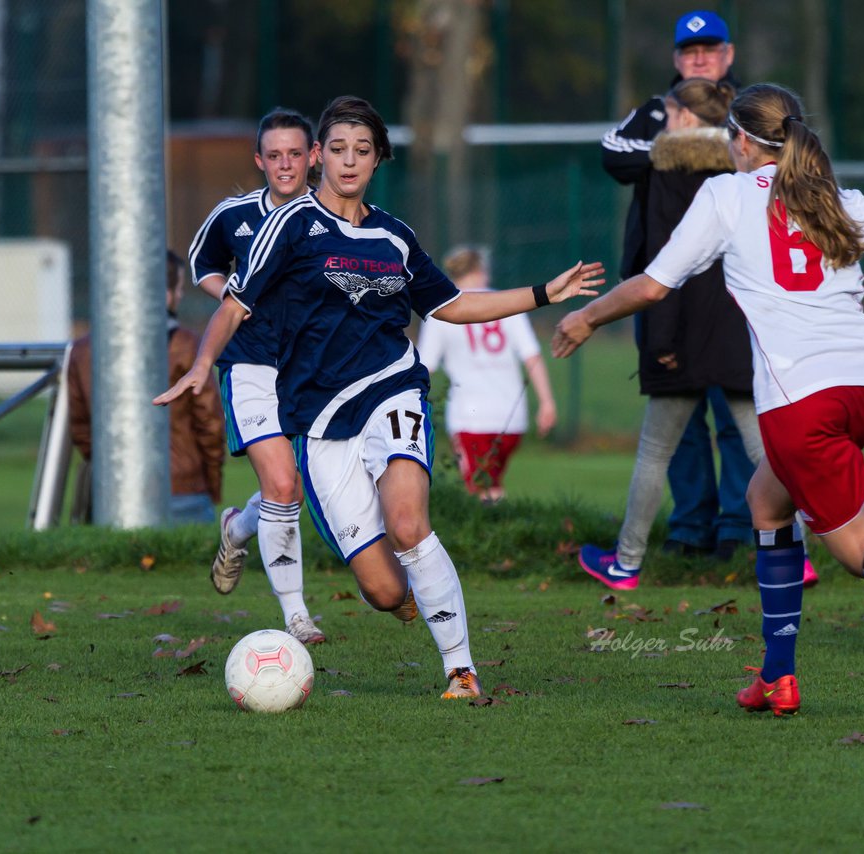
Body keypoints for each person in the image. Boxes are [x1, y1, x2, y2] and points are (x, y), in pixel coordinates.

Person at [551, 83, 864, 716]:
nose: (729, 146)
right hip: (861, 391)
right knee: (764, 499)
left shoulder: (725, 196)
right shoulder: (841, 197)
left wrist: (586, 319)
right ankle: (778, 675)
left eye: (732, 136)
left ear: (747, 142)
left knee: (862, 550)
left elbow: (650, 286)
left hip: (799, 403)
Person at [157, 95, 604, 699]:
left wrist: (544, 293)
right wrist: (203, 363)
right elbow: (236, 304)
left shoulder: (395, 236)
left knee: (408, 522)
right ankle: (402, 600)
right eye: (338, 149)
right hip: (317, 419)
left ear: (378, 160)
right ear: (320, 157)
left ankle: (461, 669)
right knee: (385, 591)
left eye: (362, 151)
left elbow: (452, 306)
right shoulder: (289, 225)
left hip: (391, 390)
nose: (349, 161)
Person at [579, 78, 762, 589]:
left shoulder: (666, 170)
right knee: (764, 451)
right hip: (736, 336)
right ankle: (803, 554)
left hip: (680, 337)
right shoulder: (743, 169)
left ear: (681, 116)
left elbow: (663, 267)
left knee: (655, 453)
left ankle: (627, 564)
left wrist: (657, 343)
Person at [187, 108, 325, 645]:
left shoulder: (332, 217)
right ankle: (296, 615)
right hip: (249, 365)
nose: (285, 165)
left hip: (313, 369)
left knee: (292, 488)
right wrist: (233, 300)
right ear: (259, 160)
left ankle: (237, 528)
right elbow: (202, 264)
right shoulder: (234, 215)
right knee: (284, 485)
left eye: (295, 153)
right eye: (274, 156)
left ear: (313, 157)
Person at [67, 250, 225, 525]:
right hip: (184, 492)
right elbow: (210, 424)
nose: (180, 296)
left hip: (111, 493)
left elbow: (80, 427)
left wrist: (111, 468)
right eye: (177, 288)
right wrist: (209, 483)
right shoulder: (188, 346)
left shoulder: (82, 351)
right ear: (163, 293)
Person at [416, 246, 558, 504]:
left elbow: (425, 366)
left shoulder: (442, 310)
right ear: (481, 270)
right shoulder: (509, 302)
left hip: (471, 418)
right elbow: (532, 356)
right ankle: (502, 532)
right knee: (492, 486)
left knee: (480, 491)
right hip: (512, 418)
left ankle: (493, 539)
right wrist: (547, 402)